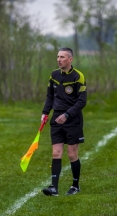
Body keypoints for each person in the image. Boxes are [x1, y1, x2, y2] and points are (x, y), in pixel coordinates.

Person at [41, 47, 87, 196]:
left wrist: (67, 115)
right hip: (56, 119)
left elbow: (82, 101)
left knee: (72, 153)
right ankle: (54, 188)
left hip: (72, 119)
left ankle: (75, 186)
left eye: (62, 57)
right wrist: (45, 112)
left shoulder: (77, 77)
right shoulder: (54, 75)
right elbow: (50, 96)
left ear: (70, 59)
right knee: (56, 152)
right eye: (58, 57)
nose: (59, 59)